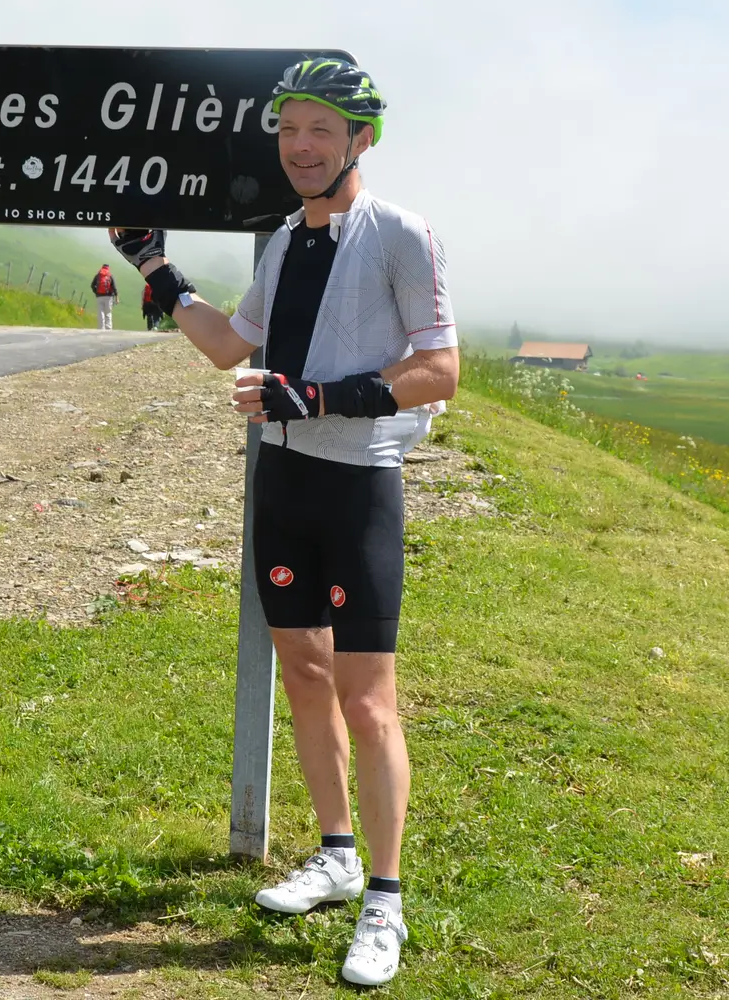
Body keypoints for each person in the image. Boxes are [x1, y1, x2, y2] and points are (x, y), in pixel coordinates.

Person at [109, 58, 458, 987]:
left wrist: (316, 395)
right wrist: (154, 265)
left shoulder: (399, 234)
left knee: (367, 697)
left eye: (319, 130)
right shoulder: (281, 240)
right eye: (288, 130)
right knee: (302, 673)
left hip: (356, 487)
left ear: (360, 139)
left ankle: (384, 897)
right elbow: (232, 345)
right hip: (284, 486)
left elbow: (439, 371)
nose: (299, 147)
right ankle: (337, 853)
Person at [90, 262, 118, 330]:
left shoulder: (98, 275)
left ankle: (101, 327)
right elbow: (114, 287)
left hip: (99, 296)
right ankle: (108, 327)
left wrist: (96, 292)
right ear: (108, 268)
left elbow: (92, 285)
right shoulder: (110, 275)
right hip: (108, 296)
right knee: (108, 312)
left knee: (100, 311)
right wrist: (116, 297)